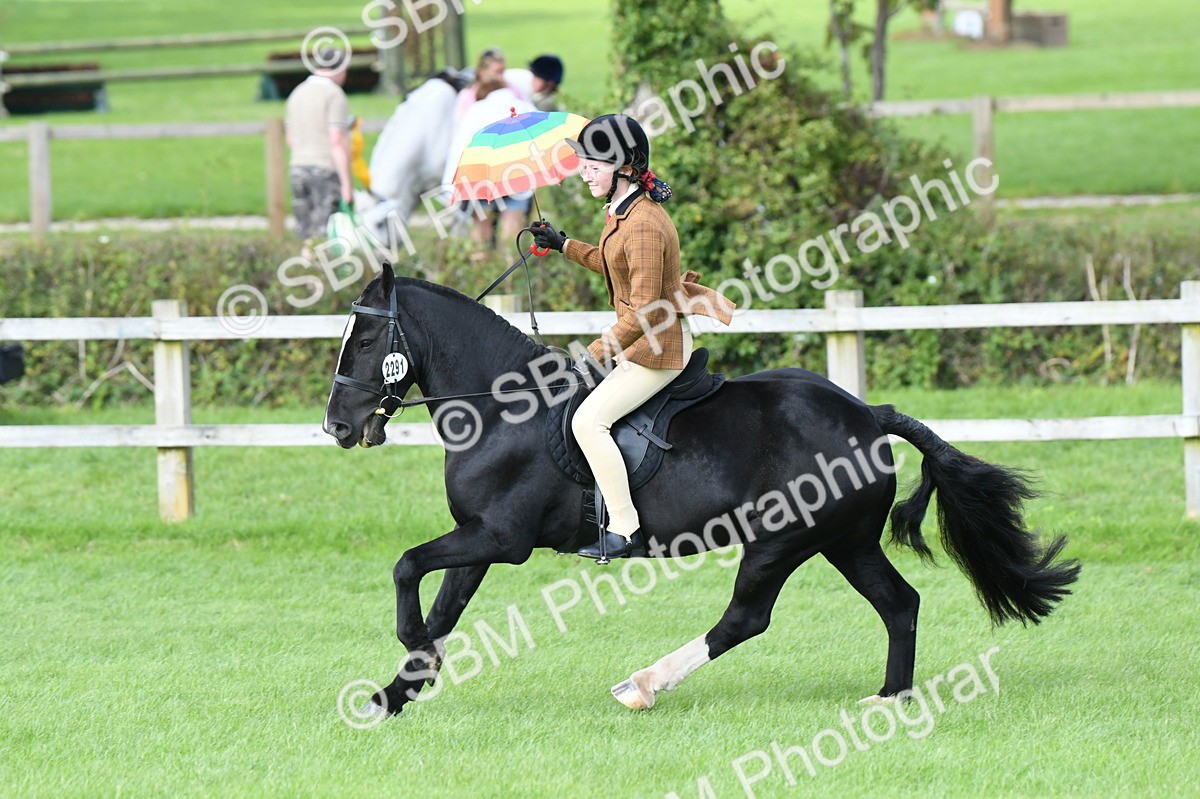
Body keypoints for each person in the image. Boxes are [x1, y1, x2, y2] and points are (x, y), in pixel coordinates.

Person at [530, 114, 736, 561]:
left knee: (589, 422)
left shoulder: (642, 222)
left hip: (654, 349)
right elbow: (615, 265)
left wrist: (595, 355)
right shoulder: (624, 211)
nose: (583, 172)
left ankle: (626, 530)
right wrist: (563, 244)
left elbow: (644, 309)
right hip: (640, 342)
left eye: (592, 164)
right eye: (582, 162)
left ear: (625, 167)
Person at [444, 79, 536, 262]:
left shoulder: (477, 110)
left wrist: (449, 187)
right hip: (518, 178)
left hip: (481, 180)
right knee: (512, 240)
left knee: (480, 237)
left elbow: (459, 149)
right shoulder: (525, 107)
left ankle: (481, 279)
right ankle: (512, 283)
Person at [285, 49, 353, 249]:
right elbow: (336, 140)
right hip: (324, 170)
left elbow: (291, 138)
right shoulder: (334, 95)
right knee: (323, 236)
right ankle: (318, 278)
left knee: (307, 235)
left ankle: (306, 276)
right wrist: (347, 185)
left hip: (297, 167)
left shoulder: (297, 93)